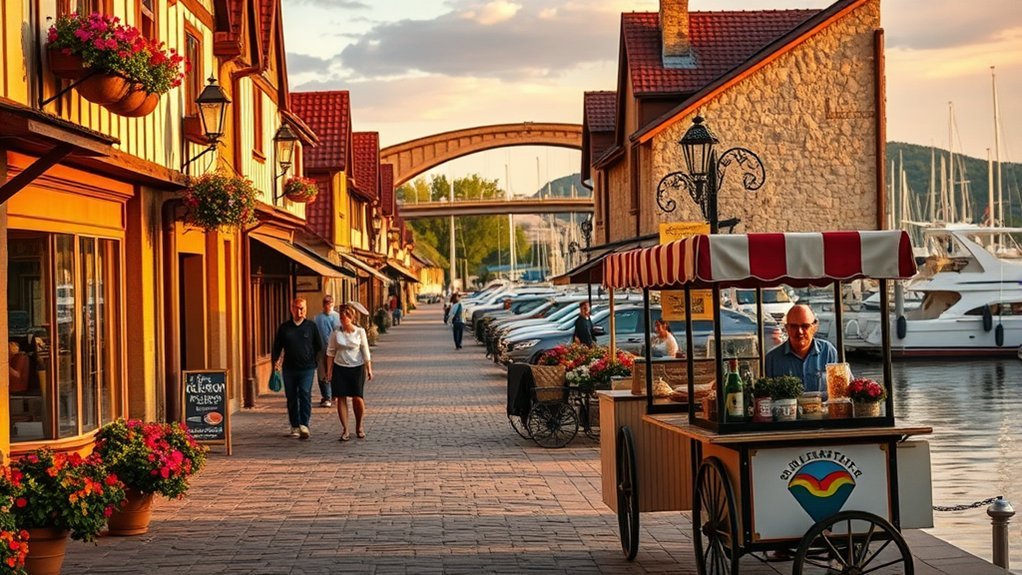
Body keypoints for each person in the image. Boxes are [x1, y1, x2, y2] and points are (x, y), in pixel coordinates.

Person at [271, 297, 323, 440]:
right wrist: (275, 361)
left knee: (305, 393)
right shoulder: (284, 328)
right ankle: (294, 425)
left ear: (306, 309)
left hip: (307, 368)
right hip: (289, 368)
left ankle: (304, 425)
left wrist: (314, 361)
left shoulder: (311, 327)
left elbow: (318, 346)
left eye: (302, 308)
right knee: (291, 396)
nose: (299, 311)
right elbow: (277, 347)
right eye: (297, 308)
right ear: (291, 309)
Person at [765, 304, 838, 398]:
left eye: (805, 326)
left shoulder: (828, 352)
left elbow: (841, 390)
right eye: (794, 326)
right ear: (787, 328)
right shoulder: (772, 359)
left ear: (815, 327)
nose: (800, 331)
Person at [326, 304, 373, 441]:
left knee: (358, 397)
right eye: (341, 318)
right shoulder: (336, 333)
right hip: (340, 367)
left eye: (345, 318)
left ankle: (359, 426)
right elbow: (330, 352)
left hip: (357, 367)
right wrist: (329, 370)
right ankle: (345, 429)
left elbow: (365, 350)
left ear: (351, 318)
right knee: (341, 397)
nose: (343, 320)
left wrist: (369, 368)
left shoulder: (360, 332)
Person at [313, 295, 341, 408]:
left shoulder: (337, 317)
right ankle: (326, 396)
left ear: (333, 304)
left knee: (334, 372)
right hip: (321, 350)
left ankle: (334, 394)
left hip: (335, 351)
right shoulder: (317, 318)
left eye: (330, 303)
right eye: (326, 303)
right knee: (322, 373)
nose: (328, 305)